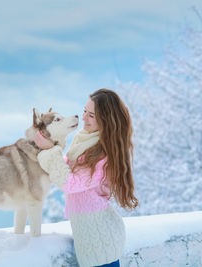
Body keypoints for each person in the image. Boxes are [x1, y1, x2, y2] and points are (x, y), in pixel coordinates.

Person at [37, 88, 138, 267]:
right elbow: (65, 167)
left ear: (105, 120)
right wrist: (49, 145)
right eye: (85, 111)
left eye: (91, 115)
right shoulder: (85, 141)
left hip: (101, 243)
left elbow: (70, 183)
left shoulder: (104, 155)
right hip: (90, 240)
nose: (83, 117)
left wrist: (49, 151)